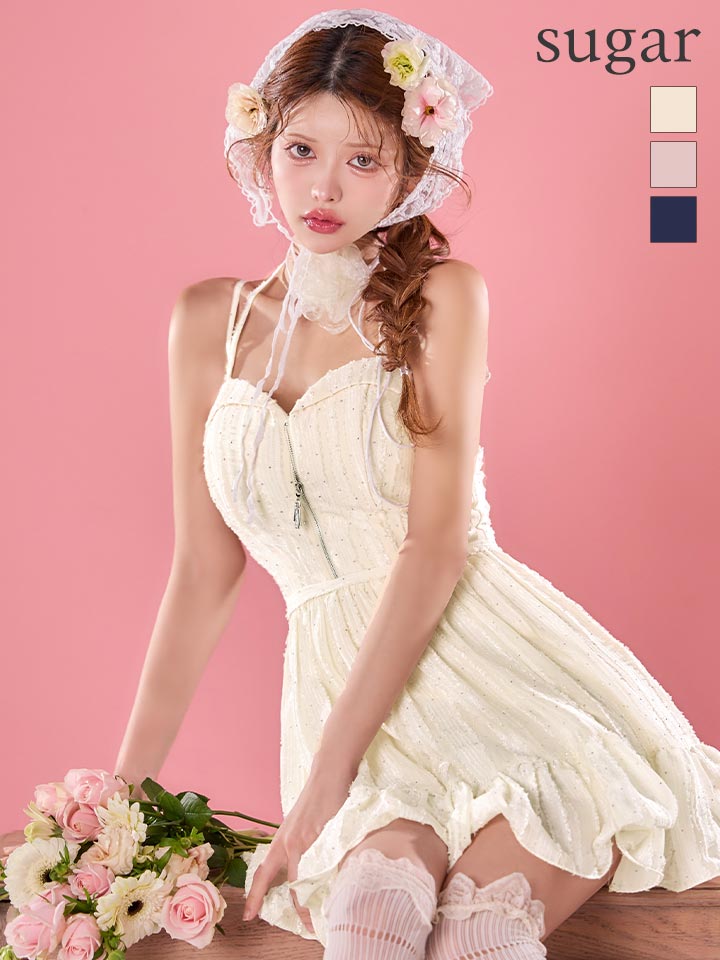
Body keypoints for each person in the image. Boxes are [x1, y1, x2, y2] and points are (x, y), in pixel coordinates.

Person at [114, 8, 720, 959]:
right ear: (261, 151)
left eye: (363, 160)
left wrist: (322, 787)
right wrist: (122, 799)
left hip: (495, 666)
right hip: (335, 688)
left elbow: (433, 549)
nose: (323, 187)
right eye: (301, 150)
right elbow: (203, 569)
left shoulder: (445, 296)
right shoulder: (207, 323)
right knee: (372, 924)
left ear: (407, 175)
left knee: (477, 936)